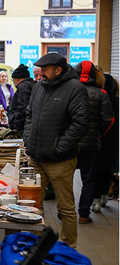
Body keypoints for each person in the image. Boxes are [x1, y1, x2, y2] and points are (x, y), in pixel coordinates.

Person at [23, 53, 88, 248]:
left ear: (58, 70)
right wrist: (28, 140)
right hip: (36, 156)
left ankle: (68, 248)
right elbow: (29, 115)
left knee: (65, 206)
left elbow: (80, 123)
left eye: (45, 69)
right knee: (33, 204)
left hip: (60, 160)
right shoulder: (39, 87)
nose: (40, 73)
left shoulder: (75, 89)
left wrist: (60, 147)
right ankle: (37, 245)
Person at [75, 61, 113, 224]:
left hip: (70, 144)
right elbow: (109, 119)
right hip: (91, 145)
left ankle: (65, 213)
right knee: (89, 180)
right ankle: (84, 214)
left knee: (65, 179)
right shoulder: (101, 93)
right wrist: (98, 135)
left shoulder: (71, 91)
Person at [94, 74, 118, 213]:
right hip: (114, 142)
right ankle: (104, 197)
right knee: (107, 171)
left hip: (100, 140)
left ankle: (96, 201)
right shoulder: (117, 102)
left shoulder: (100, 99)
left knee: (97, 172)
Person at [7, 64, 35, 133]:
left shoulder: (23, 87)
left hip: (23, 128)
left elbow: (23, 108)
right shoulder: (32, 84)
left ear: (17, 79)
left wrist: (16, 126)